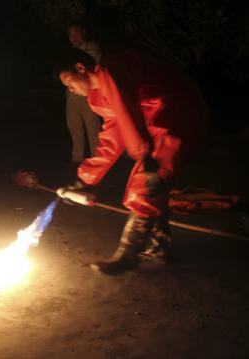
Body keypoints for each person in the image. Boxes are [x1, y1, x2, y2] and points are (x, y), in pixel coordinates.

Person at [54, 48, 208, 274]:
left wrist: (145, 156)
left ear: (80, 68)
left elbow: (127, 115)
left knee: (147, 183)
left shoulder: (112, 70)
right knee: (154, 183)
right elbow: (112, 135)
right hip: (157, 119)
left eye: (69, 82)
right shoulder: (99, 96)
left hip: (176, 111)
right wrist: (84, 178)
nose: (71, 89)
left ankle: (128, 255)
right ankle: (157, 247)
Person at [65, 22, 102, 164]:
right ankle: (77, 158)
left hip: (87, 93)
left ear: (83, 32)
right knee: (74, 127)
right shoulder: (69, 52)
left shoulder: (91, 47)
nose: (73, 37)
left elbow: (88, 67)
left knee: (92, 127)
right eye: (70, 35)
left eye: (76, 33)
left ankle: (97, 158)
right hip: (72, 96)